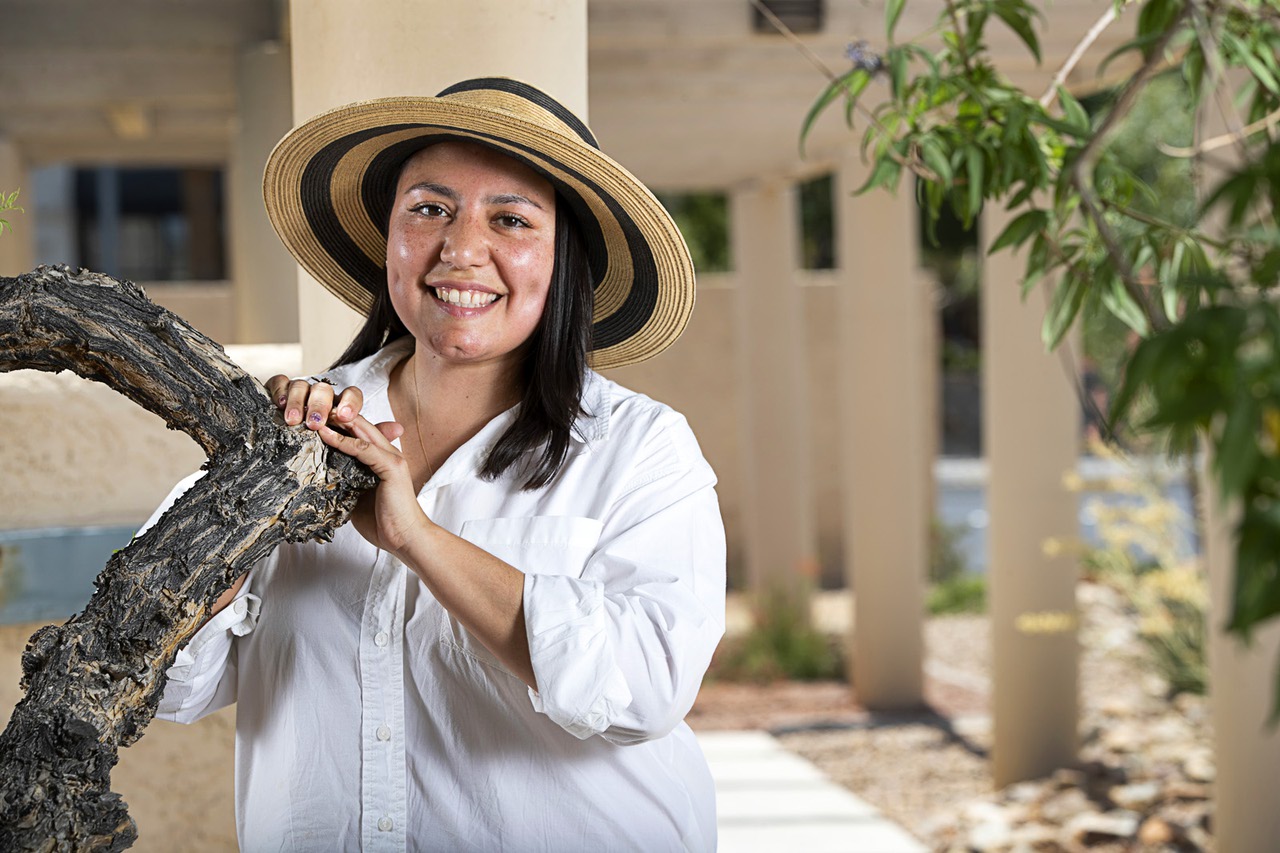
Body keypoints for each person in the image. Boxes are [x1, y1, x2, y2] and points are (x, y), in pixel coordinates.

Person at [150, 78, 726, 851]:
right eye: (429, 209)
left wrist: (418, 536)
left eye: (512, 219)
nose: (461, 249)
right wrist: (238, 497)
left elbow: (646, 689)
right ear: (388, 237)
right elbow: (171, 684)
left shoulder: (640, 449)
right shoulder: (291, 433)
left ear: (564, 261)